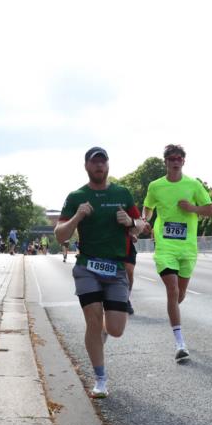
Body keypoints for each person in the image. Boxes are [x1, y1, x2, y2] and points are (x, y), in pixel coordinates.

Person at [55, 146, 147, 398]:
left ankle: (103, 333)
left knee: (116, 329)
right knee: (93, 321)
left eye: (103, 162)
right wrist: (77, 216)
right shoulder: (76, 197)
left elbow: (141, 226)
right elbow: (59, 235)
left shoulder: (122, 193)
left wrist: (130, 223)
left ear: (108, 166)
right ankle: (100, 379)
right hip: (87, 267)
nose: (99, 166)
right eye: (94, 162)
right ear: (86, 166)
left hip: (115, 268)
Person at [143, 144, 212, 362]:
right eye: (171, 158)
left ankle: (172, 312)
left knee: (179, 295)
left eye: (179, 158)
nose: (175, 161)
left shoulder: (193, 185)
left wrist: (192, 209)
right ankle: (180, 342)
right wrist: (145, 220)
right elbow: (148, 206)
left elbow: (210, 209)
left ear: (183, 161)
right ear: (165, 162)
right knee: (172, 290)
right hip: (165, 246)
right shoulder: (156, 186)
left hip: (188, 248)